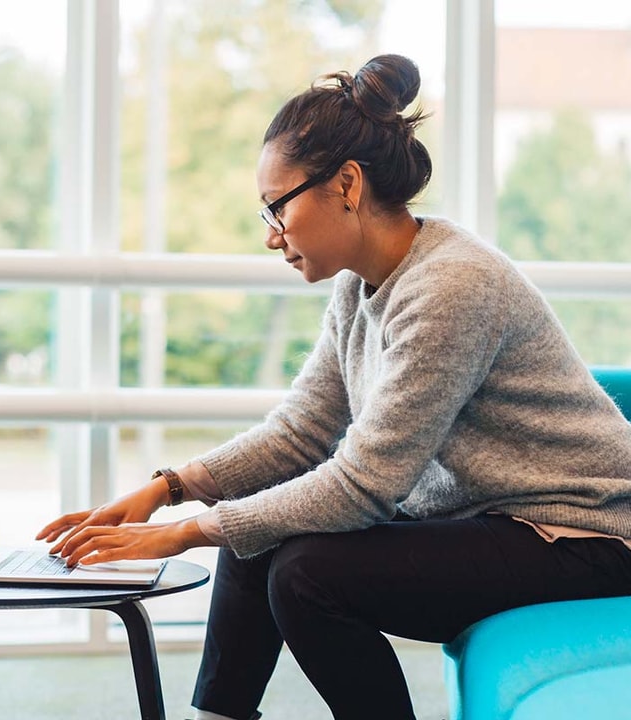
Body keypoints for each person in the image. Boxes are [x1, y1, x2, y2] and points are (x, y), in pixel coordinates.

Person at [37, 53, 631, 720]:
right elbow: (302, 432)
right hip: (493, 520)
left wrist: (185, 533)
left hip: (581, 538)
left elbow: (364, 486)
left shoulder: (453, 286)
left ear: (346, 185)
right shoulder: (361, 284)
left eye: (276, 209)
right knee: (253, 530)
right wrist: (163, 489)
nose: (271, 237)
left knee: (305, 576)